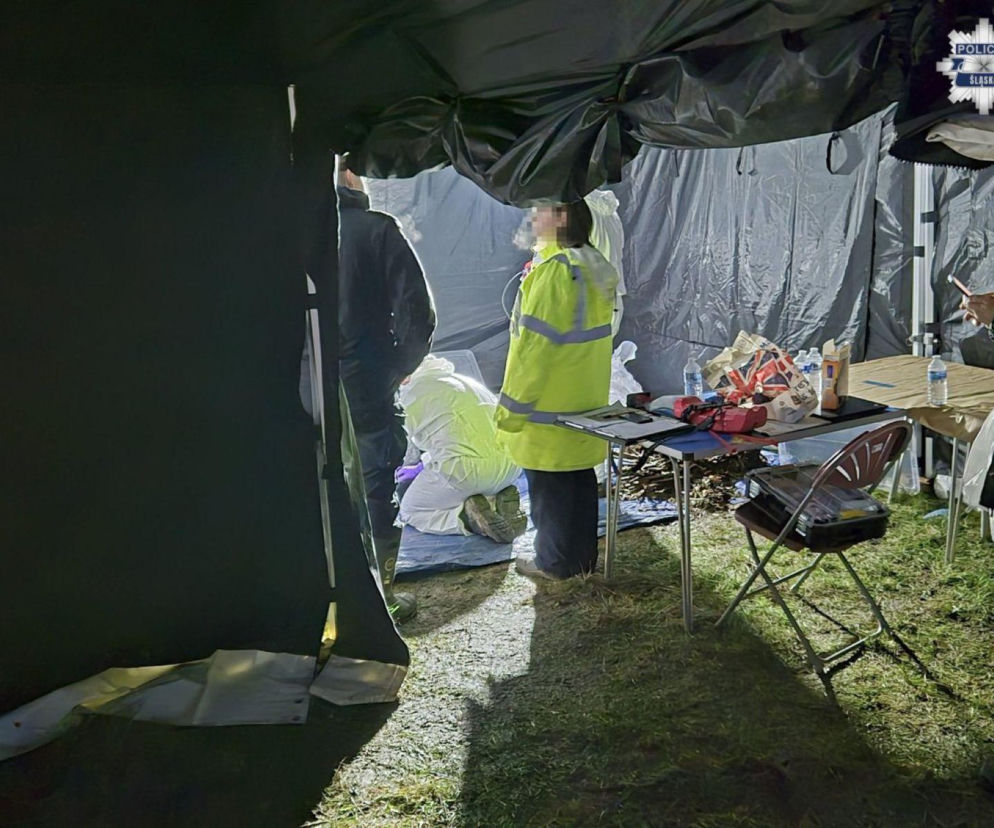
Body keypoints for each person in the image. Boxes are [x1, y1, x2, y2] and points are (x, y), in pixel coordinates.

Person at [496, 200, 618, 580]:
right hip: (583, 402)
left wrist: (510, 410)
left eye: (540, 211)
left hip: (547, 409)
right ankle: (579, 562)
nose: (533, 218)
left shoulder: (554, 273)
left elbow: (533, 351)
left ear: (562, 218)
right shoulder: (593, 264)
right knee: (579, 485)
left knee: (550, 493)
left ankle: (554, 564)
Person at [338, 162, 436, 621]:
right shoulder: (375, 230)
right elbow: (416, 310)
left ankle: (329, 606)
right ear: (351, 178)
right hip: (367, 381)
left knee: (315, 488)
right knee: (375, 486)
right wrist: (400, 365)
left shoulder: (280, 234)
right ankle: (378, 604)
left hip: (303, 387)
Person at [397, 356, 526, 541]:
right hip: (513, 466)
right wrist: (422, 466)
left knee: (410, 510)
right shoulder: (464, 381)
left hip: (468, 474)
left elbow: (393, 446)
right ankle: (496, 503)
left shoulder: (410, 394)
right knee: (466, 480)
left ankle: (467, 520)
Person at [584, 189, 627, 335]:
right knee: (601, 352)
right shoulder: (613, 213)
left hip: (586, 298)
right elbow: (619, 247)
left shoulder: (575, 211)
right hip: (614, 296)